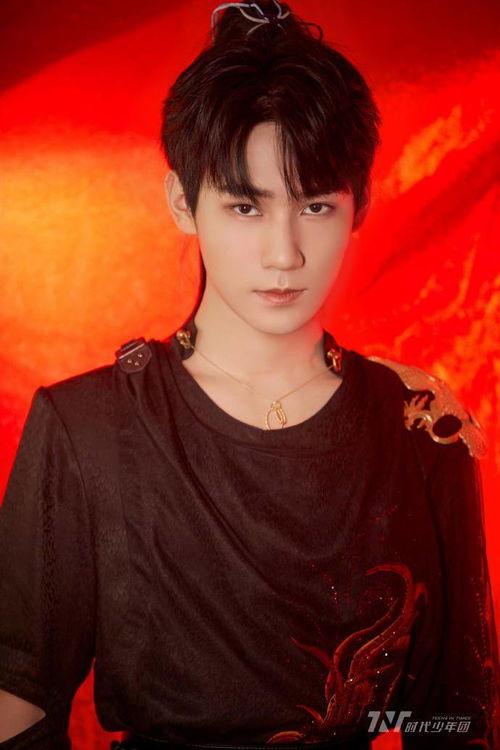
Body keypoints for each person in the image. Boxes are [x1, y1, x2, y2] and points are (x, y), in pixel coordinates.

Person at [0, 1, 498, 748]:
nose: (284, 253)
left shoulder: (422, 430)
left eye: (316, 206)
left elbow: (457, 715)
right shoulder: (89, 430)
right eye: (244, 207)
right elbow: (17, 698)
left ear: (359, 204)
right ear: (182, 201)